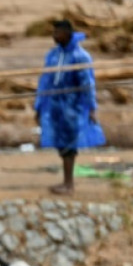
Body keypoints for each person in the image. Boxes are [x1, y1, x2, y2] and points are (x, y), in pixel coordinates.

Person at [35, 19, 103, 195]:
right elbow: (45, 81)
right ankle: (66, 182)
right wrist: (39, 106)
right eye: (53, 32)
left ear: (67, 34)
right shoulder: (53, 55)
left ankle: (69, 184)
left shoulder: (80, 57)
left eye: (57, 33)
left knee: (69, 145)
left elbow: (87, 85)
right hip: (54, 106)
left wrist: (91, 108)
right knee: (60, 143)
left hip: (72, 107)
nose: (54, 36)